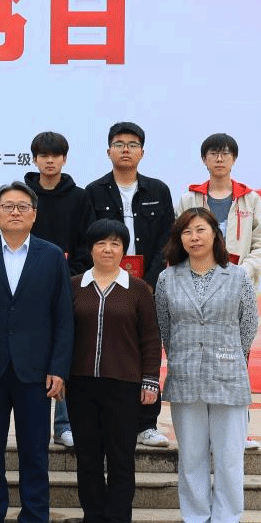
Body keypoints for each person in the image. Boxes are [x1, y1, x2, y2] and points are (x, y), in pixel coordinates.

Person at [0, 182, 72, 523]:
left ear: (34, 214)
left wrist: (58, 367)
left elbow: (63, 317)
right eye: (7, 206)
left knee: (35, 452)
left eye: (22, 206)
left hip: (35, 372)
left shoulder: (52, 256)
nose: (15, 212)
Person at [155, 207, 258, 523]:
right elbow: (165, 327)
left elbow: (248, 325)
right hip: (185, 375)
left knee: (229, 457)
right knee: (192, 456)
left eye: (200, 230)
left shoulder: (237, 276)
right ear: (179, 239)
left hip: (229, 375)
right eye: (187, 232)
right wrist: (183, 355)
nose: (194, 238)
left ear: (215, 234)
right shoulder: (168, 278)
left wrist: (229, 355)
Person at [67, 219, 161, 523]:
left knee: (121, 458)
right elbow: (64, 334)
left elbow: (150, 337)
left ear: (124, 250)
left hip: (124, 386)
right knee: (88, 458)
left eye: (115, 243)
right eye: (101, 243)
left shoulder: (138, 289)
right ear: (90, 248)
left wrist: (150, 380)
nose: (108, 249)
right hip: (80, 385)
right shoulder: (74, 286)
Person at [177, 133, 261, 450]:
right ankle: (202, 432)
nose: (219, 159)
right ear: (204, 159)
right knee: (199, 358)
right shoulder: (189, 199)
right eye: (213, 153)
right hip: (196, 292)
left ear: (234, 159)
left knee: (236, 360)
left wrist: (243, 271)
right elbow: (177, 240)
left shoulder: (250, 200)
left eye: (225, 153)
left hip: (236, 292)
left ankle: (237, 430)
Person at [84, 122, 176, 448]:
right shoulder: (94, 192)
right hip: (106, 282)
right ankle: (111, 417)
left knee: (148, 347)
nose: (126, 149)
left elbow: (167, 239)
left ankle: (147, 423)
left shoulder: (158, 191)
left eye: (133, 144)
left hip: (147, 284)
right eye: (119, 144)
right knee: (114, 348)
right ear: (108, 150)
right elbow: (90, 239)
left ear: (142, 152)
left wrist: (148, 282)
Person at [24, 131, 94, 449]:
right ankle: (33, 420)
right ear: (35, 159)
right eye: (43, 155)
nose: (49, 160)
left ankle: (64, 423)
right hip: (29, 285)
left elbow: (86, 242)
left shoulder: (80, 197)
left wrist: (70, 275)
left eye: (55, 155)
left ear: (65, 159)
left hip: (70, 283)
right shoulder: (23, 197)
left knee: (67, 350)